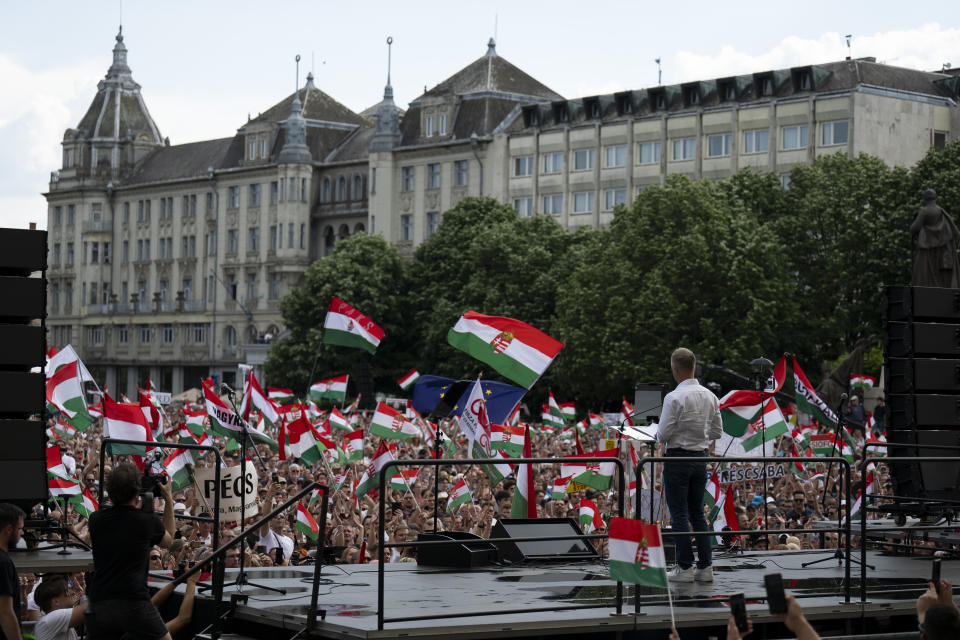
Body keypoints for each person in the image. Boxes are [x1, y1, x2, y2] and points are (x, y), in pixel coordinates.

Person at [84, 462, 175, 640]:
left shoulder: (95, 520)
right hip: (133, 601)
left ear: (110, 490)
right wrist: (168, 498)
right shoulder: (146, 521)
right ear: (137, 490)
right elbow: (169, 540)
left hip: (99, 600)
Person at [657, 348, 723, 583]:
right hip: (700, 458)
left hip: (677, 458)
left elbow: (663, 435)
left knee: (680, 514)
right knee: (697, 513)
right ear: (694, 367)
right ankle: (705, 567)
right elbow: (717, 431)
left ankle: (684, 568)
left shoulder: (673, 397)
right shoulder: (711, 396)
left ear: (675, 370)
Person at [0, 503, 25, 640]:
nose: (22, 534)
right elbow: (5, 612)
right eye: (20, 529)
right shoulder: (3, 563)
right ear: (9, 529)